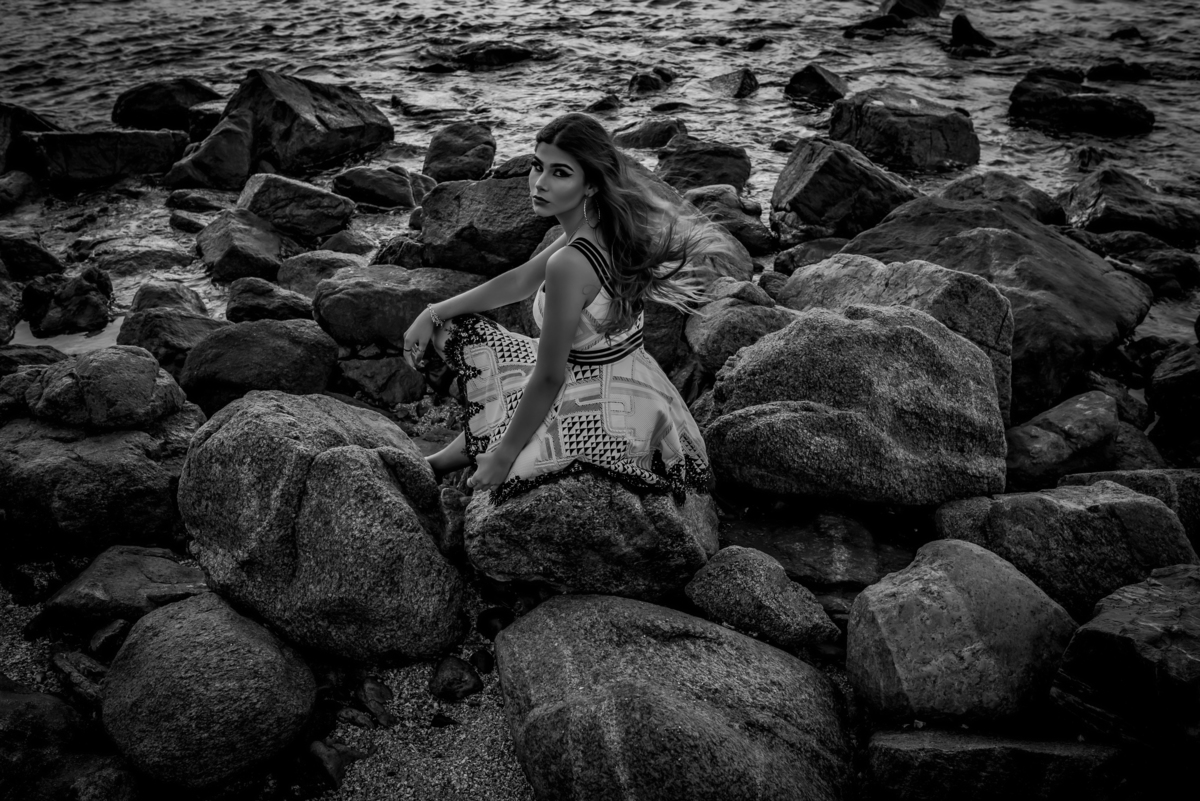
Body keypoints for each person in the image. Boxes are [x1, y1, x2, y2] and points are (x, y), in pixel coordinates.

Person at [402, 112, 729, 505]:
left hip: (604, 403)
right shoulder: (601, 226)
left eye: (560, 173)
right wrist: (434, 312)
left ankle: (463, 457)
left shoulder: (570, 262)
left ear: (590, 183)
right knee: (453, 331)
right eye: (537, 166)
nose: (540, 183)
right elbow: (520, 281)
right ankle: (441, 461)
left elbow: (548, 377)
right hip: (632, 380)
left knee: (514, 446)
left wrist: (504, 457)